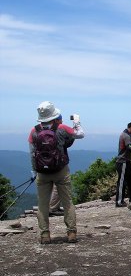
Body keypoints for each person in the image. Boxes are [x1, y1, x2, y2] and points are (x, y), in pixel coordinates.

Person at [28, 101, 85, 244]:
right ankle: (71, 233)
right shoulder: (61, 127)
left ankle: (45, 235)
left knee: (42, 204)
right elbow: (80, 134)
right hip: (61, 170)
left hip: (42, 172)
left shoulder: (34, 131)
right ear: (53, 115)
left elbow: (32, 152)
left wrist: (34, 171)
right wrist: (77, 123)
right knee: (67, 202)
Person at [115, 121, 131, 207]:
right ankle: (119, 201)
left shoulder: (126, 135)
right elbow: (130, 148)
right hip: (122, 162)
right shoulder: (126, 136)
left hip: (127, 161)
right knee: (122, 182)